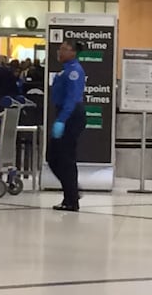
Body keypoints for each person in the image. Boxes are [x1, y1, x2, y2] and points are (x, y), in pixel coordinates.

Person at [47, 39, 87, 212]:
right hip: (64, 113)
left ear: (73, 53)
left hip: (70, 115)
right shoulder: (66, 70)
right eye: (60, 49)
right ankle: (72, 191)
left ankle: (71, 199)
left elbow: (72, 98)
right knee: (53, 157)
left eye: (64, 49)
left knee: (66, 159)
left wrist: (62, 120)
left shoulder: (74, 72)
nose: (60, 52)